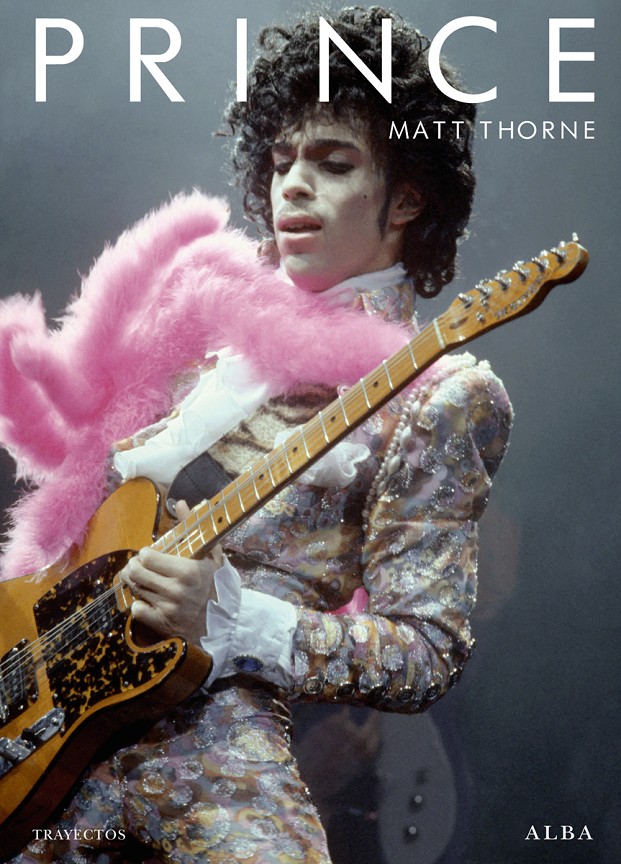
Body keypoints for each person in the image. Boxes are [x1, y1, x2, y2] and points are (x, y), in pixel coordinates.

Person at [0, 6, 512, 863]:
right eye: (280, 162)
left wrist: (236, 620)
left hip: (211, 750)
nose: (292, 187)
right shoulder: (193, 339)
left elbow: (426, 652)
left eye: (333, 162)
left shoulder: (441, 395)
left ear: (407, 196)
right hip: (40, 741)